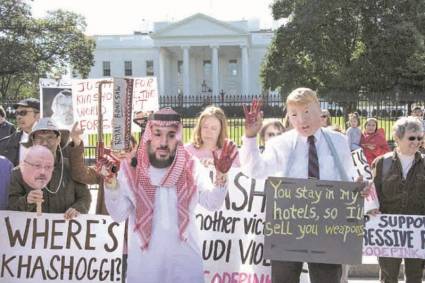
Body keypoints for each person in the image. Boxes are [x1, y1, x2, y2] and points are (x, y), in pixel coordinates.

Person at [240, 88, 366, 283]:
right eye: (294, 115)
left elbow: (347, 178)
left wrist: (357, 184)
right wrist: (250, 137)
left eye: (307, 112)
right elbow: (254, 170)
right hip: (287, 225)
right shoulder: (279, 144)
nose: (301, 120)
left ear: (320, 110)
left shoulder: (339, 141)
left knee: (327, 279)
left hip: (328, 226)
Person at [103, 107, 237, 283]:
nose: (163, 142)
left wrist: (221, 175)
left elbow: (212, 203)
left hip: (184, 265)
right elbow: (118, 214)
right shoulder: (131, 169)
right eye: (158, 134)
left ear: (178, 137)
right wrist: (111, 183)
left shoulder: (192, 166)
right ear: (149, 135)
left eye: (171, 135)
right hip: (145, 268)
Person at [372, 117, 425, 283]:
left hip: (418, 230)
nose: (416, 142)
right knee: (388, 276)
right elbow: (373, 193)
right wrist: (371, 208)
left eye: (419, 137)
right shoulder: (382, 163)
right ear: (397, 138)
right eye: (411, 138)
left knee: (415, 276)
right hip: (389, 230)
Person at [8, 118, 91, 219]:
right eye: (39, 138)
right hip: (33, 232)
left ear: (58, 140)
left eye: (50, 137)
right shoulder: (19, 173)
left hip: (67, 230)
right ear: (33, 141)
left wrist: (78, 209)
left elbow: (85, 197)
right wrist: (26, 201)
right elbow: (11, 206)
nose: (44, 143)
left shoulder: (72, 168)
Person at [0, 98, 40, 166]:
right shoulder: (3, 144)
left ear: (37, 115)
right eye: (17, 113)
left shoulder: (56, 142)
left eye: (23, 113)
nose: (19, 117)